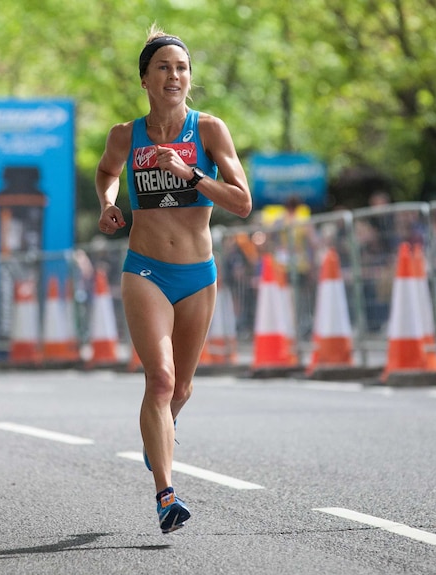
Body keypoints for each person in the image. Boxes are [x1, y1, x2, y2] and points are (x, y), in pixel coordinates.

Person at [95, 26, 252, 534]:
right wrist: (108, 203)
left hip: (198, 276)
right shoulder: (126, 135)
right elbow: (105, 172)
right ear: (144, 78)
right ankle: (166, 495)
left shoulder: (208, 131)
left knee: (182, 387)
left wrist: (189, 174)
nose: (174, 76)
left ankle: (159, 433)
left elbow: (242, 202)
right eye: (163, 67)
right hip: (145, 270)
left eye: (181, 68)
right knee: (159, 379)